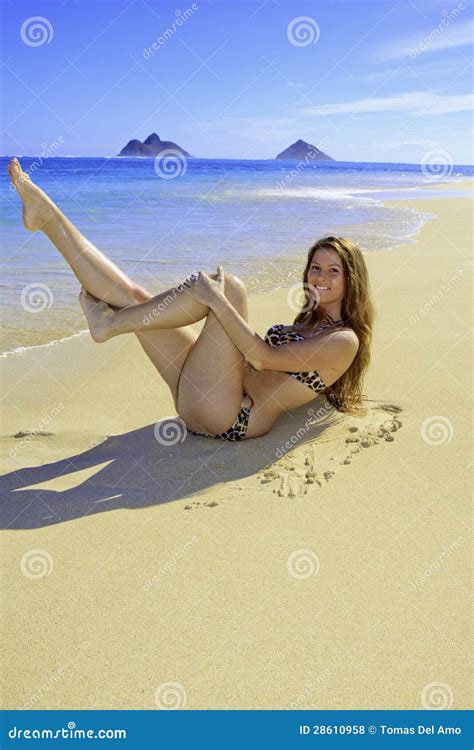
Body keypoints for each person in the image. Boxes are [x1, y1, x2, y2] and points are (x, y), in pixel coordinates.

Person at [8, 157, 375, 442]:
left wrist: (217, 302)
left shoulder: (344, 340)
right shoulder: (311, 324)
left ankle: (112, 325)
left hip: (231, 417)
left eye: (333, 271)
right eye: (315, 267)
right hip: (209, 394)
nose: (320, 277)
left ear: (351, 279)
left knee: (229, 288)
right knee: (135, 297)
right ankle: (48, 218)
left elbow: (263, 360)